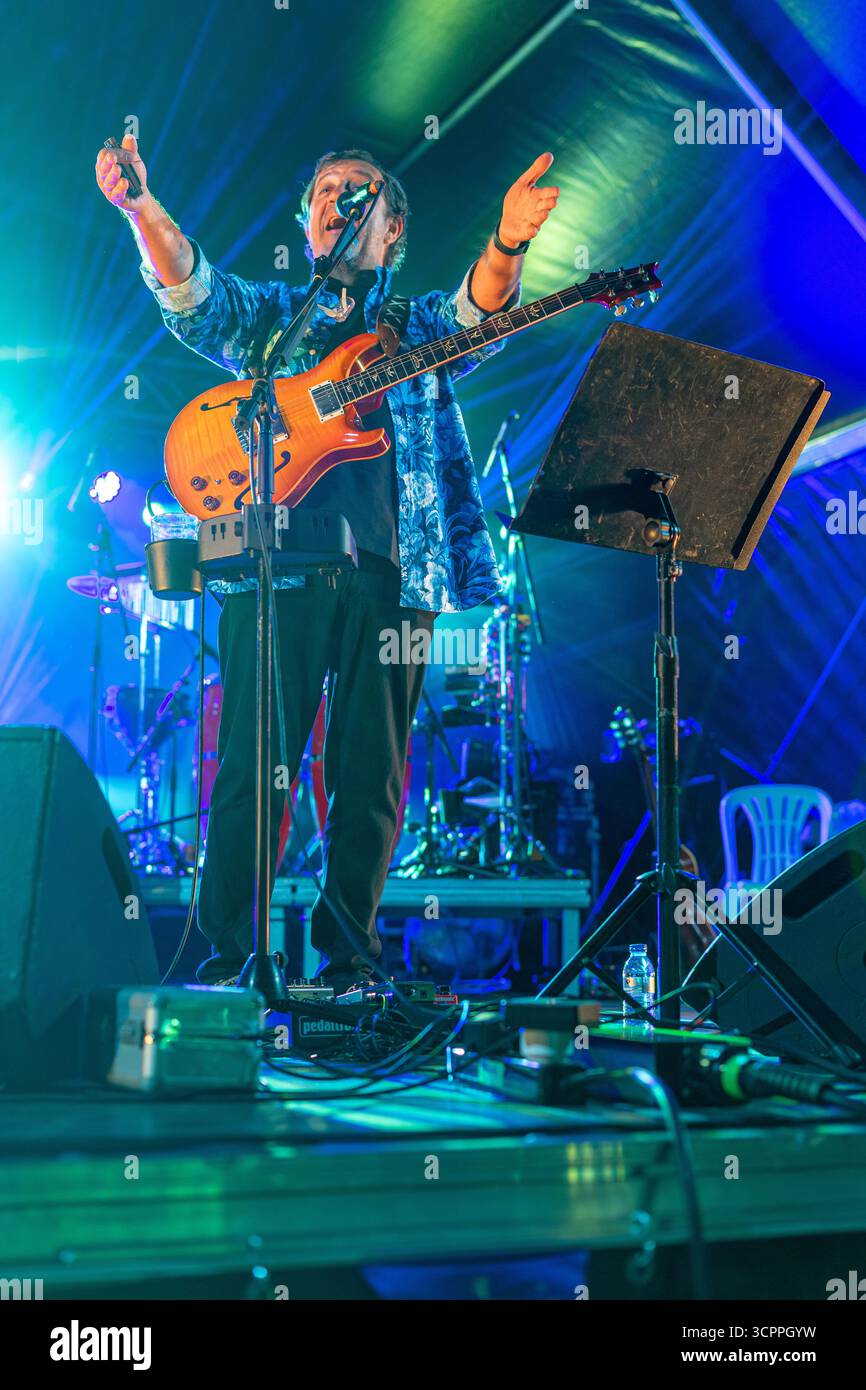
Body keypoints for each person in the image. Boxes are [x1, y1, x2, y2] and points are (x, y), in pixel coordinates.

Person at [95, 136, 559, 992]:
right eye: (325, 191)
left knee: (371, 779)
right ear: (310, 228)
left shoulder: (412, 326)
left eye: (360, 191)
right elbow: (190, 292)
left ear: (392, 231)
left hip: (395, 573)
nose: (338, 200)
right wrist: (139, 209)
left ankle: (348, 966)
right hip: (275, 568)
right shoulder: (273, 323)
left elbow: (479, 312)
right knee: (249, 771)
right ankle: (228, 958)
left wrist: (509, 243)